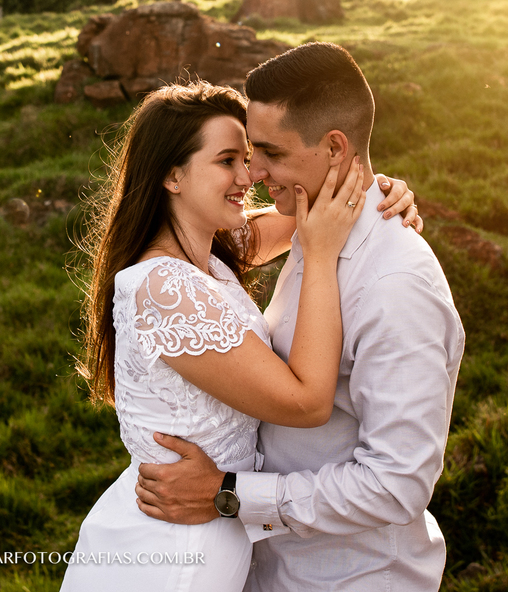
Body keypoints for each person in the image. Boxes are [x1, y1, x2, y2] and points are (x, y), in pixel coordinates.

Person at [61, 81, 422, 591]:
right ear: (172, 175)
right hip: (173, 554)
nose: (248, 176)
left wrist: (376, 188)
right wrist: (319, 256)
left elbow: (307, 208)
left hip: (210, 532)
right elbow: (306, 402)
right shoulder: (165, 287)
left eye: (250, 158)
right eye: (227, 160)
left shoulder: (208, 254)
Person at [134, 43, 466, 591]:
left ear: (335, 148)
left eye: (268, 152)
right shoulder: (314, 229)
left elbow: (396, 485)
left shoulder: (396, 286)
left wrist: (229, 493)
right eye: (241, 153)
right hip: (265, 564)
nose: (253, 172)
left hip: (348, 577)